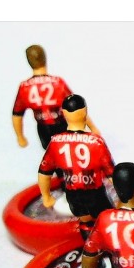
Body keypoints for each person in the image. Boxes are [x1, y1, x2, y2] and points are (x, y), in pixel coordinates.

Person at [37, 95, 114, 241]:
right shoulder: (96, 142)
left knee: (85, 221)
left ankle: (90, 249)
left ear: (64, 114)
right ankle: (108, 247)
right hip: (95, 191)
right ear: (85, 112)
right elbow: (111, 173)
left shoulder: (55, 142)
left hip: (73, 194)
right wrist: (123, 197)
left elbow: (44, 173)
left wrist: (46, 197)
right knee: (106, 219)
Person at [12, 44, 101, 149]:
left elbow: (17, 115)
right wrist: (92, 128)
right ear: (45, 58)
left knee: (51, 153)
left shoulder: (25, 87)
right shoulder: (57, 83)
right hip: (62, 125)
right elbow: (75, 107)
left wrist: (20, 136)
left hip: (43, 129)